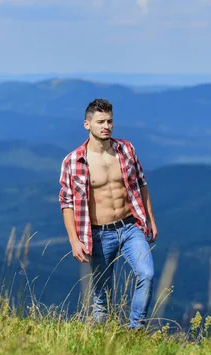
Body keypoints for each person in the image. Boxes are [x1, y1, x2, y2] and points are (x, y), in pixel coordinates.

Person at [58, 98, 158, 329]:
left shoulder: (126, 150)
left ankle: (136, 329)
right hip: (99, 233)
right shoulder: (73, 161)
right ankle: (101, 339)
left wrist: (150, 220)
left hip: (130, 226)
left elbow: (142, 184)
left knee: (147, 274)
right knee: (102, 295)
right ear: (87, 124)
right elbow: (67, 203)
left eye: (110, 121)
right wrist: (74, 240)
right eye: (100, 121)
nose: (106, 126)